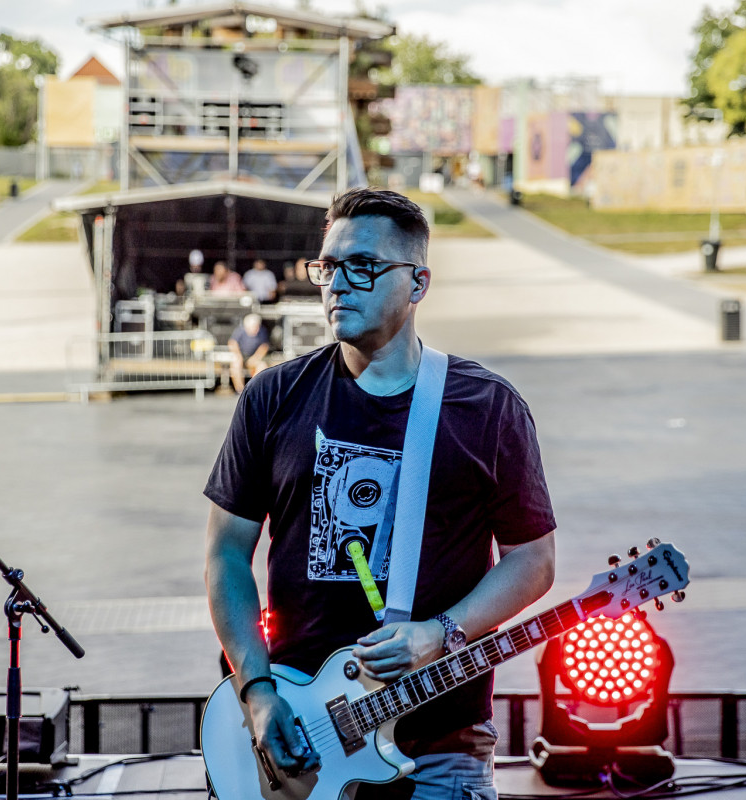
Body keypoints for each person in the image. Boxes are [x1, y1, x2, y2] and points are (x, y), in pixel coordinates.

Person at [203, 188, 556, 798]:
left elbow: (534, 559)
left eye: (363, 266)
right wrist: (257, 691)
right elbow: (227, 553)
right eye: (329, 267)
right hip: (300, 741)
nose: (338, 284)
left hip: (442, 748)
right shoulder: (271, 398)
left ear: (417, 284)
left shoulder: (488, 408)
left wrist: (441, 632)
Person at [227, 313, 270, 392]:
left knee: (262, 366)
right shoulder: (240, 331)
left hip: (254, 357)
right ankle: (240, 390)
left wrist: (256, 357)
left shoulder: (262, 331)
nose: (255, 329)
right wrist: (238, 354)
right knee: (235, 365)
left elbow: (264, 346)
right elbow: (232, 343)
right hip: (241, 355)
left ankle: (255, 388)